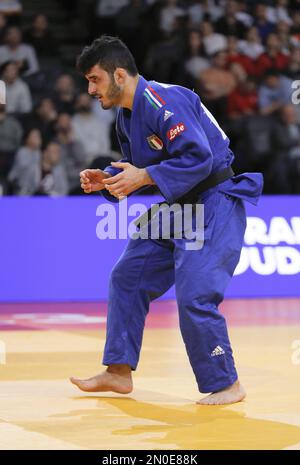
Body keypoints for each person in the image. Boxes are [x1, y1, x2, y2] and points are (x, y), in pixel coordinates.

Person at [70, 36, 263, 405]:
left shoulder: (164, 99)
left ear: (120, 75)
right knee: (127, 276)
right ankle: (118, 372)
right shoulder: (126, 118)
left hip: (214, 201)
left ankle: (227, 384)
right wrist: (108, 180)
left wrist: (143, 177)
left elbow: (198, 159)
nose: (90, 89)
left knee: (194, 295)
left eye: (95, 79)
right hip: (180, 206)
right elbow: (140, 170)